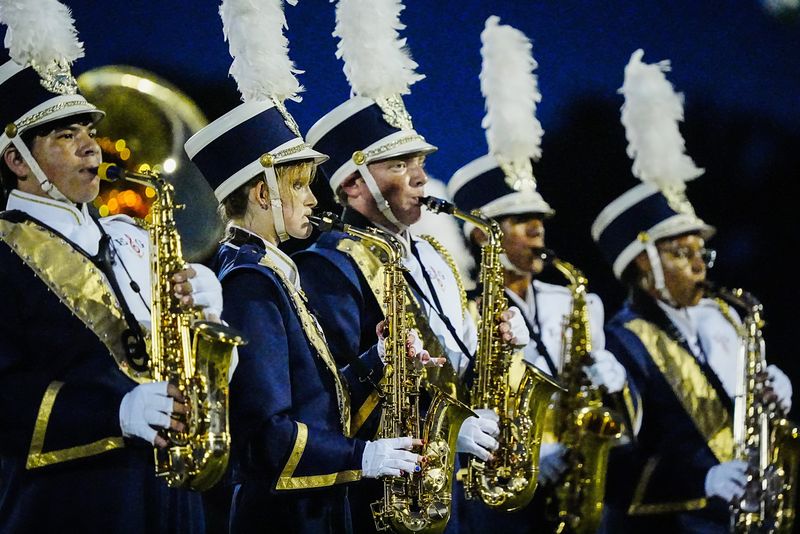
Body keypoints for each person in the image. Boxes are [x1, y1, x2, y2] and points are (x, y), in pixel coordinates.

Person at [183, 2, 433, 531]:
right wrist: (361, 457)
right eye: (297, 185)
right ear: (262, 193)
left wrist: (375, 360)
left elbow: (312, 398)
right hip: (284, 517)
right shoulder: (250, 284)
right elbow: (265, 433)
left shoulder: (272, 273)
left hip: (313, 507)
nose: (311, 199)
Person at [296, 3, 529, 532]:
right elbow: (336, 395)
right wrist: (448, 431)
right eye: (400, 165)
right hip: (385, 490)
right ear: (353, 184)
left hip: (457, 480)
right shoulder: (328, 264)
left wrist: (498, 352)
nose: (421, 178)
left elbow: (460, 360)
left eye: (420, 162)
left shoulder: (435, 253)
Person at [0, 4, 220, 531]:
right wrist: (114, 412)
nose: (91, 148)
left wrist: (202, 317)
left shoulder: (128, 236)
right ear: (15, 161)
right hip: (70, 497)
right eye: (63, 136)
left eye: (87, 130)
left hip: (168, 485)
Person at [592, 49, 793, 533]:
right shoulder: (624, 341)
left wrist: (778, 388)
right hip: (676, 521)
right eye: (682, 252)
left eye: (701, 250)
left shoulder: (726, 315)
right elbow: (618, 463)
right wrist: (703, 479)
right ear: (644, 264)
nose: (699, 261)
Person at [443, 16, 629, 533]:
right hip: (491, 493)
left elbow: (612, 412)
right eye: (522, 224)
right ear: (485, 234)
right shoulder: (461, 306)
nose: (538, 235)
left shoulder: (576, 301)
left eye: (540, 223)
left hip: (571, 485)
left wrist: (611, 387)